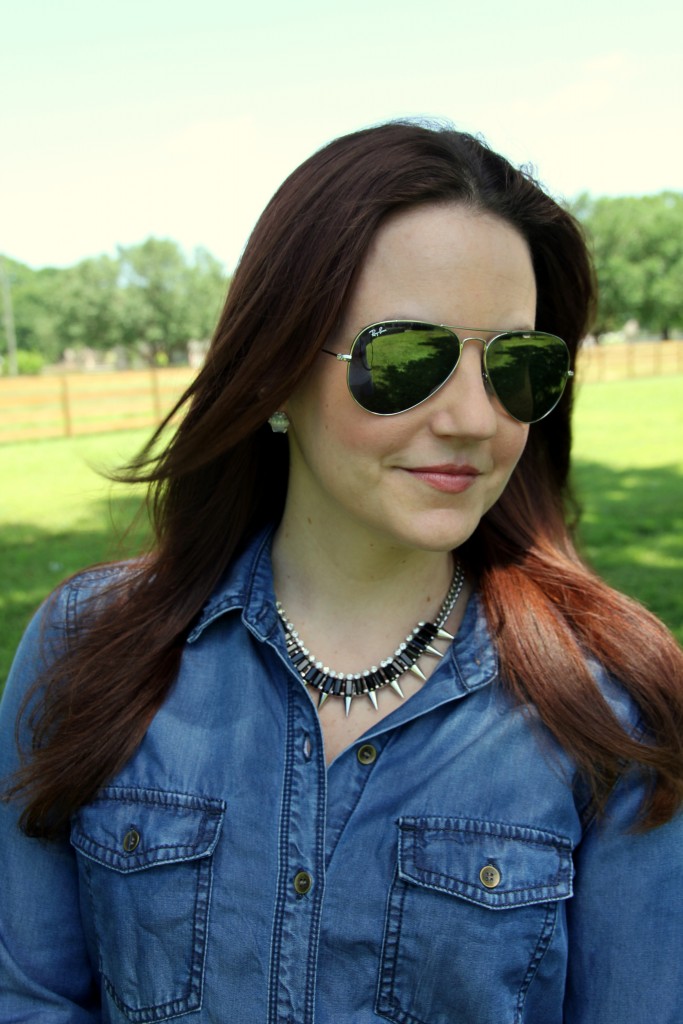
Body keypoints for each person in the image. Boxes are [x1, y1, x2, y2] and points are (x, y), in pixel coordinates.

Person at [1, 120, 682, 1024]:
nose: (475, 419)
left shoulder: (617, 700)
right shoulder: (85, 645)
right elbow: (31, 995)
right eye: (407, 358)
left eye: (518, 365)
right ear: (277, 371)